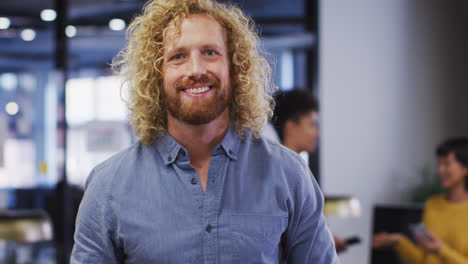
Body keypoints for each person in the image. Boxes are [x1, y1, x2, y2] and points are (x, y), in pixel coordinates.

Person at [70, 0, 338, 263]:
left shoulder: (288, 175)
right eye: (178, 56)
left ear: (234, 68)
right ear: (156, 76)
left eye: (210, 52)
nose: (196, 70)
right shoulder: (108, 187)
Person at [271, 89, 348, 253]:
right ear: (291, 127)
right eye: (312, 124)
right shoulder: (279, 176)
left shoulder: (299, 173)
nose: (317, 134)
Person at [373, 137, 468, 264]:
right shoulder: (433, 204)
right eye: (439, 164)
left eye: (447, 164)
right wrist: (398, 241)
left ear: (465, 168)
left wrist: (441, 249)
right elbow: (423, 260)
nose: (440, 170)